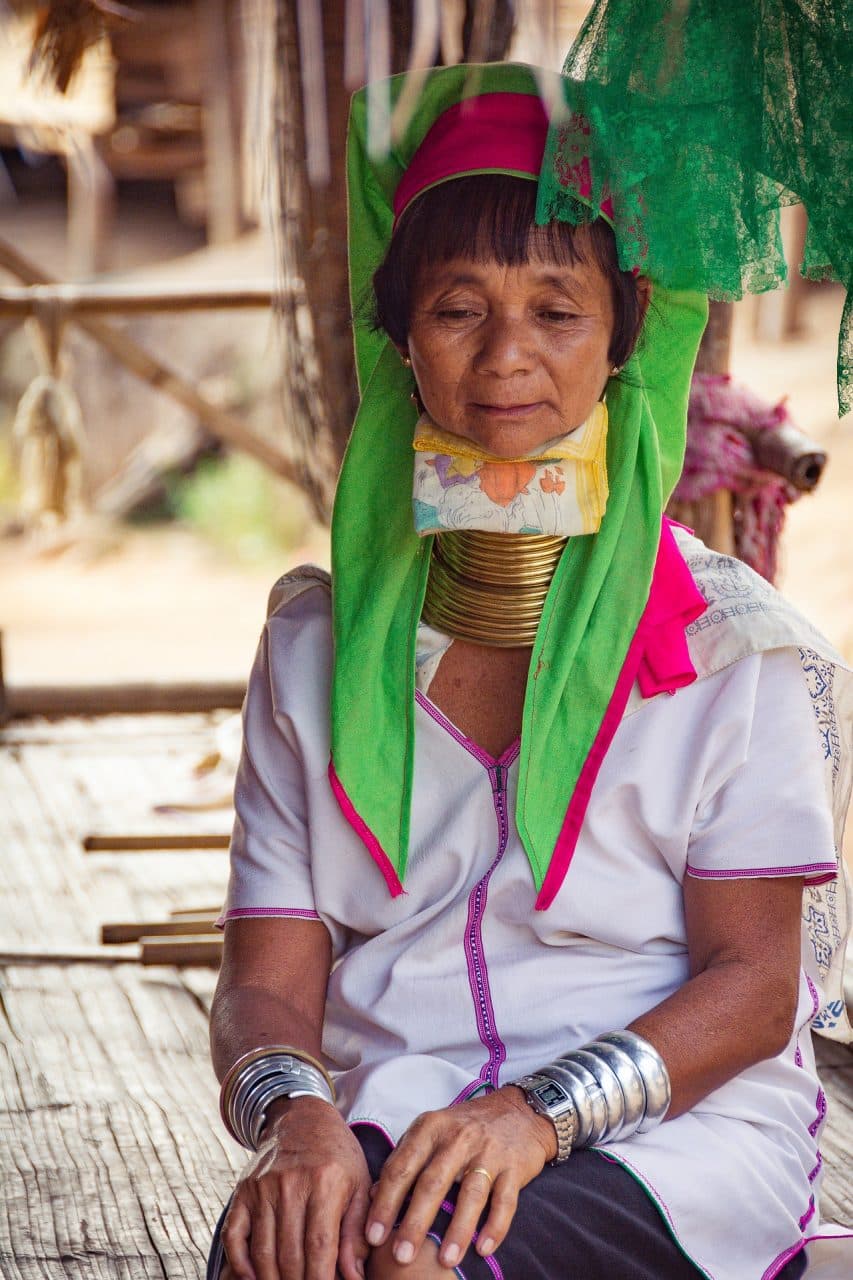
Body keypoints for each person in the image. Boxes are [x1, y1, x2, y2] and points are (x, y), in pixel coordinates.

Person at [207, 62, 852, 1280]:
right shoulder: (313, 651)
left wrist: (538, 1113)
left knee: (412, 1261)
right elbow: (265, 976)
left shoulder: (728, 649)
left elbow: (757, 985)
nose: (508, 353)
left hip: (673, 1134)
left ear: (621, 338)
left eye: (556, 309)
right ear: (398, 338)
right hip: (397, 1118)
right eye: (458, 307)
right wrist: (294, 1115)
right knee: (281, 1257)